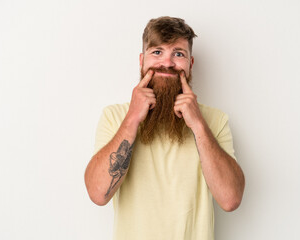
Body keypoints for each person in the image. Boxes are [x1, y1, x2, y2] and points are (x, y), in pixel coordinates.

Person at [84, 16, 245, 240]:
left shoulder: (215, 120)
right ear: (142, 60)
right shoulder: (115, 117)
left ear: (190, 63)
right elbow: (98, 194)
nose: (167, 63)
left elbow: (230, 199)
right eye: (157, 52)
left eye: (178, 54)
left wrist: (198, 124)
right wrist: (132, 119)